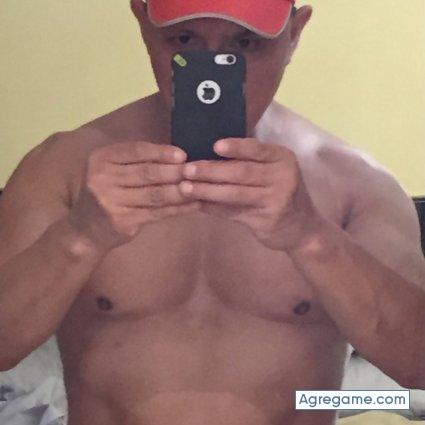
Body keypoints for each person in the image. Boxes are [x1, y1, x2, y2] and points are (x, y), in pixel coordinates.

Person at [0, 0, 424, 424]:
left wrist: (310, 235)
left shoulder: (356, 184)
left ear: (295, 32)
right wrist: (80, 236)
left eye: (246, 43)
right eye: (184, 39)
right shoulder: (65, 168)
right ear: (143, 24)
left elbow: (418, 365)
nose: (213, 70)